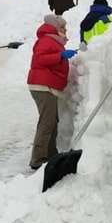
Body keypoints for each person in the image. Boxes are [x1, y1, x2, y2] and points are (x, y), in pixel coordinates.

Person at [27, 14, 76, 170]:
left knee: (52, 122)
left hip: (47, 85)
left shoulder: (53, 40)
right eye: (62, 27)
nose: (65, 29)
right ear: (55, 27)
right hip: (42, 85)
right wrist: (60, 55)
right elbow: (39, 59)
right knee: (47, 123)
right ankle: (38, 159)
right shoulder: (47, 40)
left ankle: (50, 155)